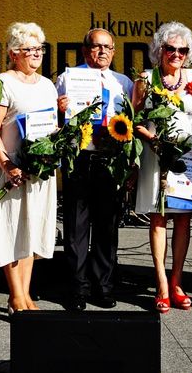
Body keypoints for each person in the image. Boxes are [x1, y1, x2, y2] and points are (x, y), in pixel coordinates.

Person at [54, 28, 134, 311]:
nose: (102, 52)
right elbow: (54, 120)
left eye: (108, 47)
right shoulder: (67, 78)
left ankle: (104, 286)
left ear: (113, 51)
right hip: (80, 158)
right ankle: (77, 288)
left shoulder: (123, 82)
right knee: (76, 227)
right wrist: (59, 107)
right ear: (85, 49)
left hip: (110, 160)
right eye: (96, 47)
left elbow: (131, 122)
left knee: (107, 226)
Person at [0, 22, 58, 313]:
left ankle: (26, 294)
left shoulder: (47, 85)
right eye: (30, 49)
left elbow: (51, 126)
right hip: (13, 168)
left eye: (40, 48)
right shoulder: (3, 82)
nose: (37, 54)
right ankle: (15, 297)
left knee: (32, 230)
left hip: (41, 170)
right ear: (14, 53)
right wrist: (6, 165)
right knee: (13, 229)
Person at [132, 22, 192, 313]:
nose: (176, 54)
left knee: (183, 219)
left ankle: (177, 281)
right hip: (155, 154)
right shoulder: (145, 78)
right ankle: (161, 284)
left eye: (182, 50)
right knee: (159, 218)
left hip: (186, 156)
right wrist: (152, 139)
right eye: (170, 48)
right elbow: (134, 117)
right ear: (159, 49)